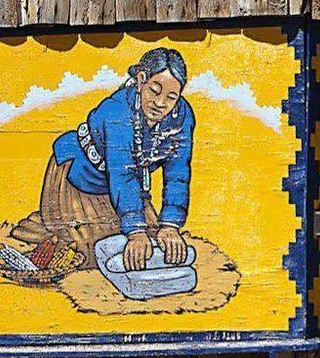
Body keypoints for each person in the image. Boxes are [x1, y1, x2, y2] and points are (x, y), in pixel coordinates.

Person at [13, 47, 194, 272]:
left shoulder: (182, 117)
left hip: (122, 188)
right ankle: (51, 223)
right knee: (94, 254)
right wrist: (135, 231)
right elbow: (123, 173)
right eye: (155, 91)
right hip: (78, 178)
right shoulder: (117, 112)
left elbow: (178, 173)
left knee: (156, 241)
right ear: (140, 81)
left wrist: (171, 224)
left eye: (171, 97)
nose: (161, 103)